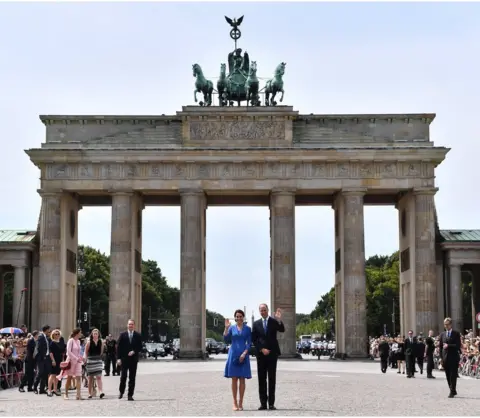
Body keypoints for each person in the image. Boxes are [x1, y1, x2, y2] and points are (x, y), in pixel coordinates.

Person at [251, 303, 284, 411]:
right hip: (261, 355)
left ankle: (271, 404)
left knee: (271, 378)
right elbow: (254, 339)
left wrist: (279, 320)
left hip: (272, 354)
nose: (263, 312)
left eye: (264, 310)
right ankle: (263, 404)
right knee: (261, 379)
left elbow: (282, 329)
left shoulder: (274, 321)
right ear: (259, 311)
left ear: (268, 310)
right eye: (261, 310)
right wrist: (261, 349)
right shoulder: (255, 324)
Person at [223, 309, 252, 411]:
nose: (239, 318)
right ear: (235, 318)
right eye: (237, 316)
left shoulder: (248, 329)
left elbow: (249, 343)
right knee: (234, 379)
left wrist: (245, 353)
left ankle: (241, 403)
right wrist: (226, 329)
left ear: (243, 318)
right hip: (233, 354)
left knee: (242, 379)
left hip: (243, 355)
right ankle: (234, 402)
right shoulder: (231, 328)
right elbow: (226, 339)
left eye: (240, 316)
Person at [117, 319, 142, 401]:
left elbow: (140, 347)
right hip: (124, 359)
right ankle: (121, 392)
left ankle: (130, 395)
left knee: (132, 378)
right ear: (127, 325)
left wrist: (134, 351)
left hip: (133, 360)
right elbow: (118, 348)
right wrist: (118, 358)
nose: (130, 325)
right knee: (123, 376)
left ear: (134, 325)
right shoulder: (122, 335)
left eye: (132, 324)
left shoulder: (138, 335)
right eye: (129, 324)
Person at [439, 317, 461, 398]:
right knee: (448, 375)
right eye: (445, 324)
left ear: (451, 324)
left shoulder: (456, 334)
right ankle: (452, 389)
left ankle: (452, 391)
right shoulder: (442, 334)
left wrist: (449, 345)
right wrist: (441, 358)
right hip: (445, 358)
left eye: (447, 324)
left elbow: (458, 345)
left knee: (453, 375)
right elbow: (440, 347)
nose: (446, 326)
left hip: (453, 357)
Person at [64, 328, 84, 400]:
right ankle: (66, 394)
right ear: (77, 333)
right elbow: (69, 351)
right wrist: (76, 358)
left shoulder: (78, 341)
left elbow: (79, 351)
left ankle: (78, 395)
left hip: (78, 362)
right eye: (80, 333)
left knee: (79, 377)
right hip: (71, 361)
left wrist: (80, 357)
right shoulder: (70, 340)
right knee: (69, 377)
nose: (81, 334)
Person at [84, 328, 105, 399]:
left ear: (98, 334)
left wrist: (99, 358)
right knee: (90, 378)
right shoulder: (89, 342)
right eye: (94, 334)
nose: (95, 335)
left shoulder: (101, 342)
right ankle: (89, 393)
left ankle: (101, 391)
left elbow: (101, 352)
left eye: (97, 333)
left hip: (98, 360)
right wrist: (85, 360)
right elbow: (86, 352)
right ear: (92, 335)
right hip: (90, 361)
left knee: (99, 377)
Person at [33, 325, 51, 394]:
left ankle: (42, 389)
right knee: (40, 373)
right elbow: (39, 347)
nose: (49, 331)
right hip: (41, 358)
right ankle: (35, 387)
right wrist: (42, 356)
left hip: (46, 357)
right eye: (49, 330)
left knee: (45, 373)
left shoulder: (46, 337)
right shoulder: (41, 337)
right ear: (46, 330)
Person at [47, 329, 64, 396]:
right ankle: (49, 390)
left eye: (58, 334)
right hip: (54, 360)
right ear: (53, 335)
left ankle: (55, 389)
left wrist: (63, 360)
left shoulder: (60, 342)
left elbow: (62, 352)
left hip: (59, 360)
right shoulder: (52, 342)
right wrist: (53, 360)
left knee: (57, 375)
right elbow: (50, 352)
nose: (57, 335)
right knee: (52, 375)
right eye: (56, 334)